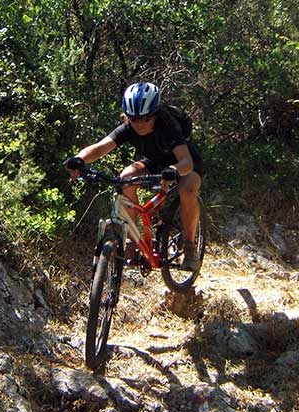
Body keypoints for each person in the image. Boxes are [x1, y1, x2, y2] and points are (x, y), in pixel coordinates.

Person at [65, 81, 203, 271]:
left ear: (155, 114)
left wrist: (174, 170)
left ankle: (189, 246)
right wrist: (78, 159)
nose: (139, 124)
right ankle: (132, 241)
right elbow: (100, 147)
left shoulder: (168, 125)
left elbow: (186, 162)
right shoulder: (129, 127)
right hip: (154, 161)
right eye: (134, 119)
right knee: (126, 178)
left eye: (146, 118)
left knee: (187, 190)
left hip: (183, 163)